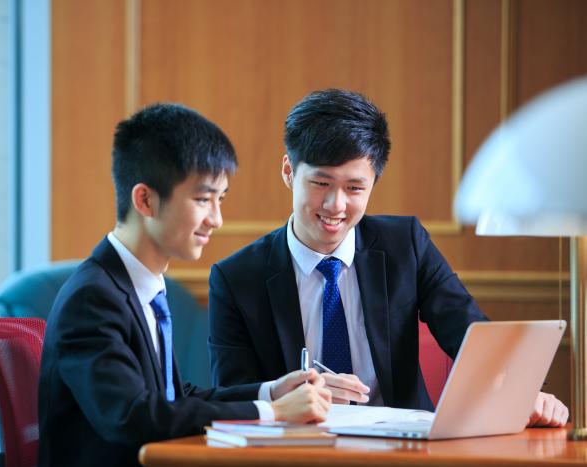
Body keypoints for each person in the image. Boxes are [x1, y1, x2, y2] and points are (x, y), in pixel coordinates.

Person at [208, 89, 568, 427]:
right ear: (289, 172)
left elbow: (468, 329)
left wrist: (524, 391)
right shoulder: (237, 277)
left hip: (402, 448)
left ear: (373, 183)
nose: (336, 205)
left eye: (354, 188)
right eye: (321, 184)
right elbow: (230, 395)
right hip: (296, 448)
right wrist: (294, 394)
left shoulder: (405, 244)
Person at [38, 103, 332, 467]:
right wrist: (273, 413)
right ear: (145, 199)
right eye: (203, 199)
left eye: (220, 200)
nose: (216, 219)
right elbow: (134, 417)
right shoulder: (93, 299)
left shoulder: (140, 287)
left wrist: (270, 392)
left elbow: (171, 397)